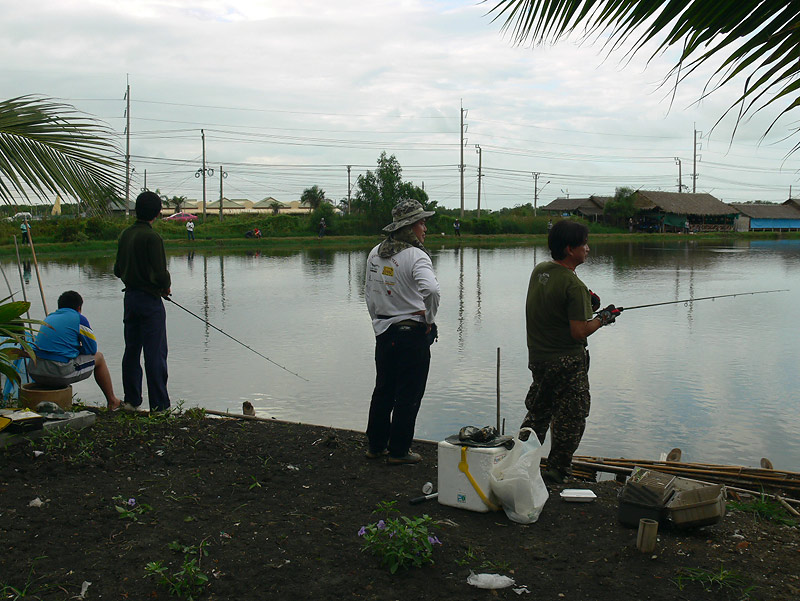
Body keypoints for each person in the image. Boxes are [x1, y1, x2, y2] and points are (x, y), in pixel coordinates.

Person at [519, 220, 619, 484]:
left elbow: (556, 296)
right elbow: (579, 331)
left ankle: (518, 462)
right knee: (571, 415)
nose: (588, 248)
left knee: (539, 412)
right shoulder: (573, 286)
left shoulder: (540, 270)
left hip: (538, 359)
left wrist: (588, 298)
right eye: (583, 244)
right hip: (567, 362)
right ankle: (557, 469)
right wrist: (604, 317)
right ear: (569, 249)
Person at [364, 199, 440, 465]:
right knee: (409, 394)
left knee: (383, 390)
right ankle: (399, 451)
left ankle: (375, 446)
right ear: (409, 227)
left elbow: (369, 294)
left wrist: (378, 320)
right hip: (411, 335)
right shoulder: (416, 255)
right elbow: (431, 290)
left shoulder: (375, 253)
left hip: (384, 332)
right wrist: (429, 318)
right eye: (421, 223)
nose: (425, 228)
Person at [113, 191, 171, 412]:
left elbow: (118, 270)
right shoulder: (152, 237)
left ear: (137, 210)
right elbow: (160, 274)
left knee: (131, 350)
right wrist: (165, 288)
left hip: (130, 299)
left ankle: (131, 400)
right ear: (157, 213)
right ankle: (159, 406)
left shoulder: (125, 234)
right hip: (150, 301)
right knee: (154, 354)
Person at [27, 290, 122, 411]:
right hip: (58, 373)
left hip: (35, 371)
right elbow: (92, 349)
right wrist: (77, 348)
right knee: (100, 358)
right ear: (79, 307)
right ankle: (113, 401)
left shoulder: (49, 317)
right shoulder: (79, 318)